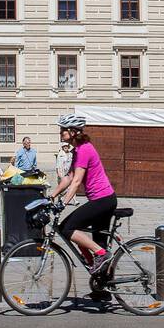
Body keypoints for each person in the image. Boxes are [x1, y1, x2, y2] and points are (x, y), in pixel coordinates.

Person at [47, 115, 119, 300]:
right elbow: (69, 177)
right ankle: (102, 288)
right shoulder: (78, 150)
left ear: (73, 132)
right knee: (98, 241)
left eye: (63, 129)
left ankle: (101, 254)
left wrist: (63, 203)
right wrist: (52, 195)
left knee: (67, 228)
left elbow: (77, 181)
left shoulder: (85, 150)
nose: (60, 132)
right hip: (103, 200)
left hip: (102, 200)